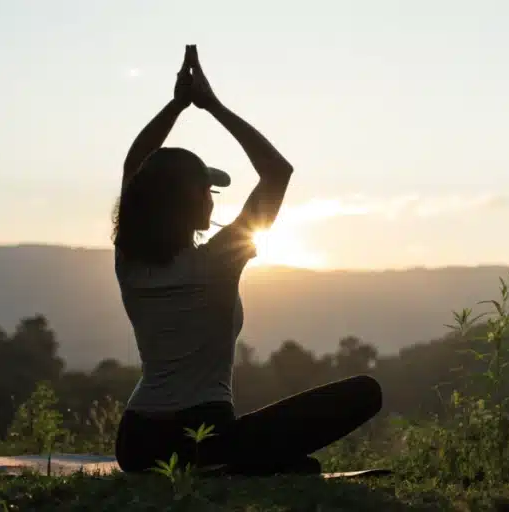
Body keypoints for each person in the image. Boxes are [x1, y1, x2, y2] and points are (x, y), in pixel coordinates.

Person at [110, 45, 382, 475]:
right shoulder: (217, 262)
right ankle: (239, 464)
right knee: (365, 392)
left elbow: (134, 167)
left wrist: (176, 105)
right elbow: (277, 172)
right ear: (191, 203)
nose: (212, 198)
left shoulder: (128, 262)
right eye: (207, 190)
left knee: (283, 459)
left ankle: (251, 464)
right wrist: (212, 105)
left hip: (137, 443)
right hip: (207, 436)